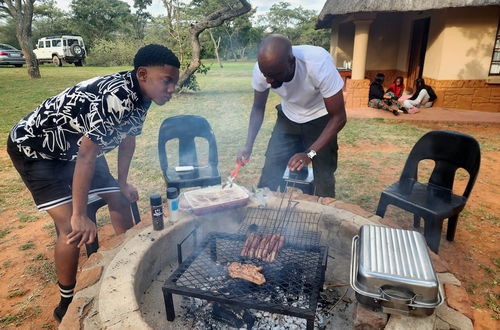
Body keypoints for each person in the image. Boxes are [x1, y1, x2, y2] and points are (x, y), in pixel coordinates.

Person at [7, 44, 180, 322]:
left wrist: (122, 183)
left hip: (81, 147)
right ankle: (66, 301)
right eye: (167, 81)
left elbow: (128, 137)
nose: (172, 89)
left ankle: (125, 268)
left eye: (175, 82)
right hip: (38, 150)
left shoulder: (142, 95)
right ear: (144, 74)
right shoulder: (116, 96)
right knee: (69, 229)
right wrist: (78, 214)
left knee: (120, 200)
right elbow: (87, 155)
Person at [237, 34, 346, 197]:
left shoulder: (318, 64)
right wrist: (248, 145)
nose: (268, 80)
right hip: (288, 118)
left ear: (291, 62)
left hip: (321, 119)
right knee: (270, 171)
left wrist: (310, 154)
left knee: (324, 180)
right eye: (265, 74)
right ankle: (261, 217)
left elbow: (339, 117)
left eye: (274, 75)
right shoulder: (264, 70)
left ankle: (323, 218)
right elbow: (258, 108)